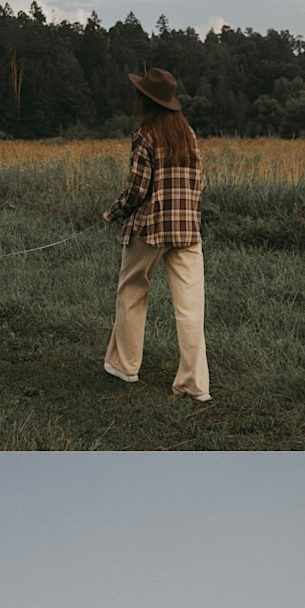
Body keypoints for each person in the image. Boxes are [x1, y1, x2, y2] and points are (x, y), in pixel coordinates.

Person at [102, 67, 211, 402]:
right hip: (188, 230)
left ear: (146, 100)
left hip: (151, 228)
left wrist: (113, 213)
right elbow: (201, 180)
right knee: (190, 307)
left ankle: (126, 366)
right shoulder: (187, 133)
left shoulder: (145, 134)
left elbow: (137, 189)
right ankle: (194, 386)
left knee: (132, 291)